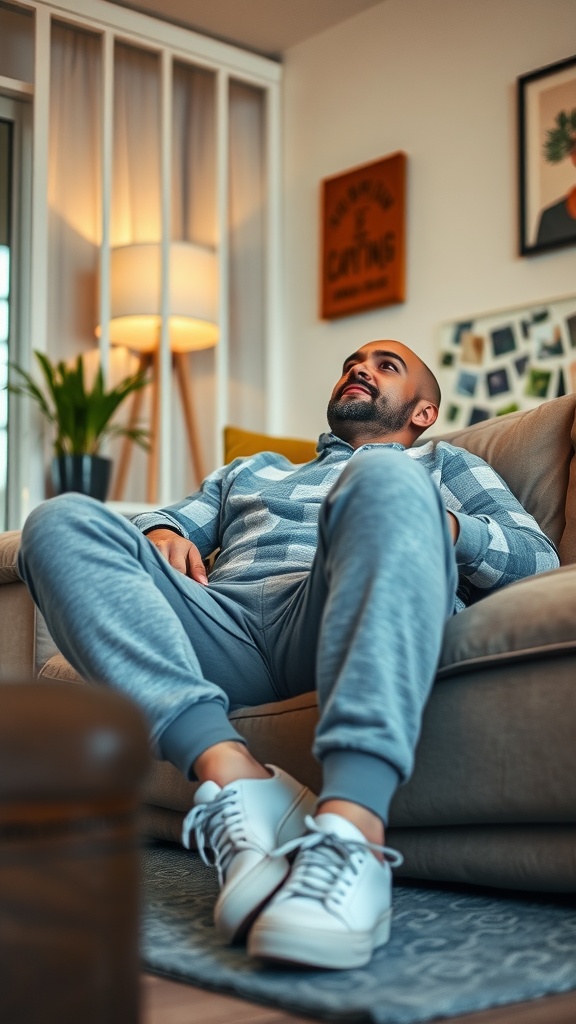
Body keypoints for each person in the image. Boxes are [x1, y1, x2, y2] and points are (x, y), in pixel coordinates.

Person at [18, 340, 559, 970]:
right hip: (225, 627)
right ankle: (238, 783)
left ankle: (355, 832)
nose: (361, 368)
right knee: (57, 522)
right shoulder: (251, 469)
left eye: (388, 366)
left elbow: (537, 557)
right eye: (354, 361)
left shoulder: (443, 464)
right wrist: (162, 529)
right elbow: (163, 522)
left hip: (338, 612)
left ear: (423, 412)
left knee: (383, 473)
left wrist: (444, 524)